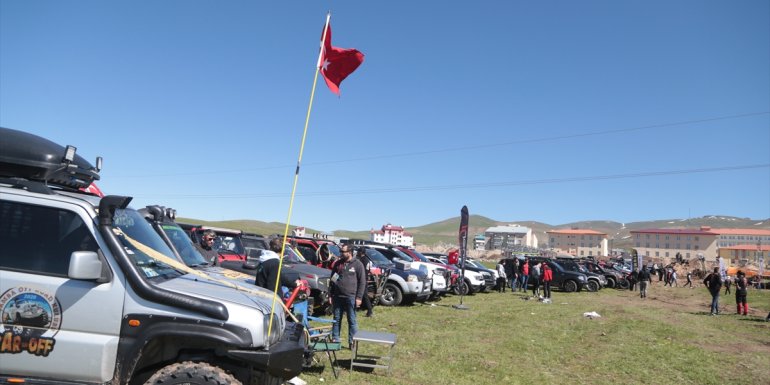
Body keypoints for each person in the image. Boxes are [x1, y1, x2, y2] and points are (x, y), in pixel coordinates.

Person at [328, 244, 366, 348]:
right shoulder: (338, 264)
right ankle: (335, 339)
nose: (340, 253)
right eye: (340, 251)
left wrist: (359, 297)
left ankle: (352, 342)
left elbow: (362, 282)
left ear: (349, 252)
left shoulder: (358, 264)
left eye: (342, 251)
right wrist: (330, 294)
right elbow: (333, 280)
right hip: (337, 296)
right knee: (336, 318)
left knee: (352, 320)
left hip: (351, 297)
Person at [356, 247, 374, 317]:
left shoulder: (361, 260)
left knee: (364, 295)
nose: (357, 253)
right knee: (362, 295)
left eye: (358, 251)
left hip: (361, 280)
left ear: (361, 252)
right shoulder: (368, 260)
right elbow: (368, 270)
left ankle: (370, 310)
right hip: (365, 279)